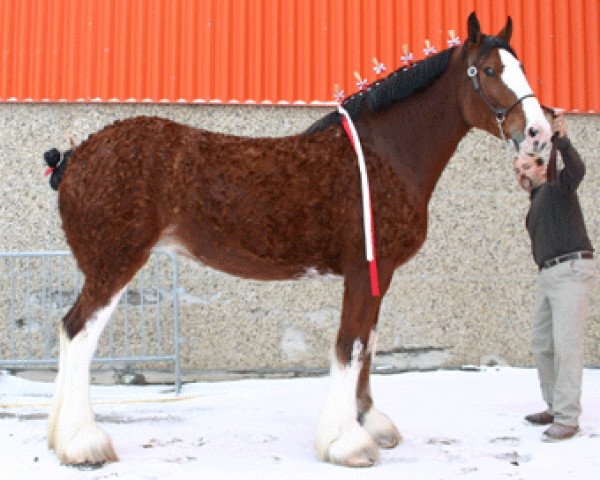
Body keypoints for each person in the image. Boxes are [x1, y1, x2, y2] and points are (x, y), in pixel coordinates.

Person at [513, 112, 597, 441]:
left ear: (541, 167)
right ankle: (554, 405)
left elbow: (577, 169)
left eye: (526, 167)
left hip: (572, 272)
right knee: (542, 343)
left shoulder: (558, 186)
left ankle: (567, 417)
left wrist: (560, 140)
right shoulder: (538, 201)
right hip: (549, 277)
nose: (521, 173)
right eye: (517, 170)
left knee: (567, 346)